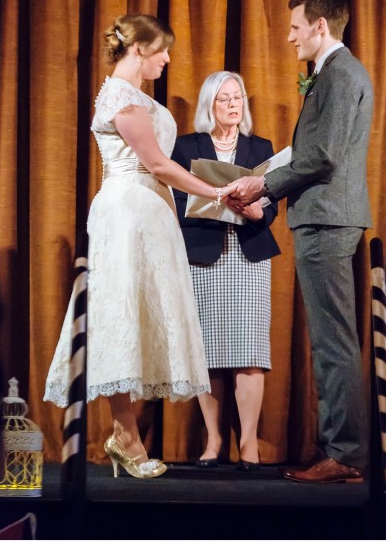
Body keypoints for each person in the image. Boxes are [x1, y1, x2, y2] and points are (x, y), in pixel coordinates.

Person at [43, 14, 239, 479]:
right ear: (139, 50)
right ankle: (125, 435)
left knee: (143, 314)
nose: (168, 59)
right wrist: (218, 193)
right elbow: (157, 164)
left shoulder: (133, 97)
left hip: (149, 212)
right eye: (163, 50)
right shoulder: (120, 97)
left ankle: (124, 433)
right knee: (122, 314)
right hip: (128, 210)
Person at [229, 0, 373, 484]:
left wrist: (262, 184)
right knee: (331, 339)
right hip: (326, 216)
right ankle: (341, 451)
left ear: (320, 27)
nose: (289, 36)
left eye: (295, 27)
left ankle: (347, 455)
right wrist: (267, 192)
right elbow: (311, 152)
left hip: (328, 218)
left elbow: (323, 156)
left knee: (333, 341)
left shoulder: (339, 73)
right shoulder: (334, 73)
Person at [170, 71, 281, 471]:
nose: (233, 105)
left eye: (237, 98)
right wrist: (219, 200)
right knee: (209, 353)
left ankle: (248, 445)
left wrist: (255, 209)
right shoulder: (186, 147)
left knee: (250, 352)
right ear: (209, 105)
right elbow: (178, 196)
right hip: (203, 253)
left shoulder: (260, 147)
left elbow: (272, 205)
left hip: (248, 256)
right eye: (224, 99)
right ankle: (214, 442)